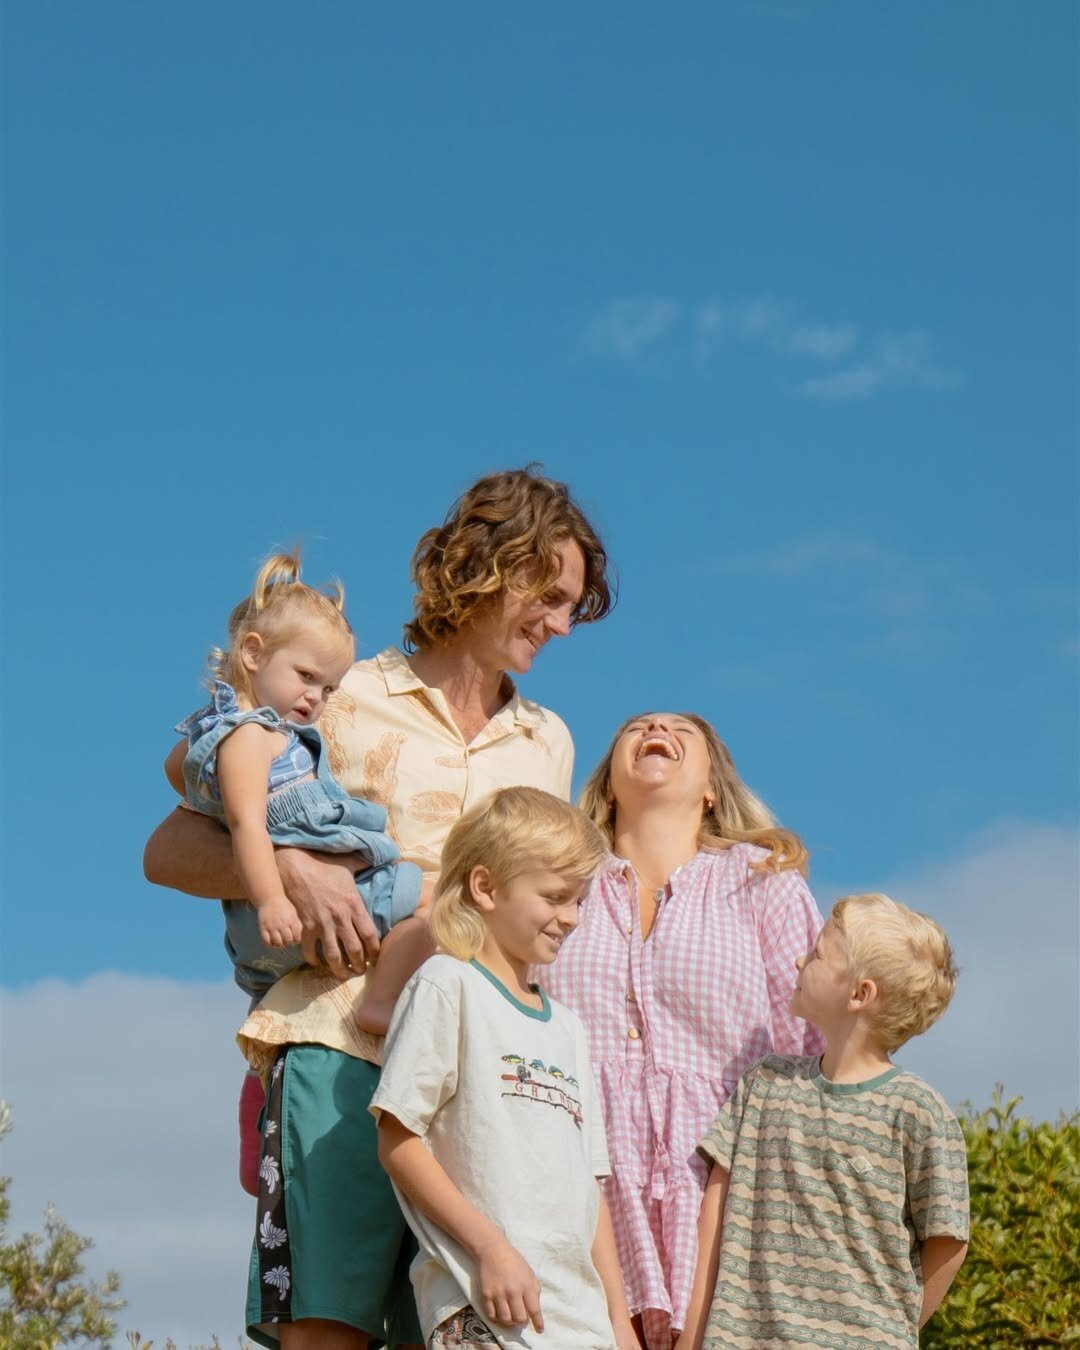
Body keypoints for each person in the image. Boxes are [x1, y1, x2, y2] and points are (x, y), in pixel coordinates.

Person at [143, 466, 615, 1350]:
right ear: (489, 566)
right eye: (548, 597)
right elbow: (166, 849)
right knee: (327, 1331)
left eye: (570, 608)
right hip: (336, 1048)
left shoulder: (548, 743)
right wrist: (291, 869)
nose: (560, 624)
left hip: (479, 1085)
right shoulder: (339, 691)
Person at [541, 712, 825, 1349]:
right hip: (573, 1177)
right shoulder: (558, 883)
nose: (656, 729)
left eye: (681, 731)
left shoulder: (762, 882)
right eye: (638, 726)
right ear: (608, 784)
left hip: (725, 1185)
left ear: (712, 790)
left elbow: (810, 1048)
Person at [373, 787, 638, 1350]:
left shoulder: (568, 1028)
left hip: (578, 1322)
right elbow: (398, 1139)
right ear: (485, 887)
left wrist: (618, 1320)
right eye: (555, 897)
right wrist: (490, 1249)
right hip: (481, 1303)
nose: (571, 918)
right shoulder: (447, 984)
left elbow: (589, 1188)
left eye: (579, 901)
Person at [680, 893, 969, 1349]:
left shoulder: (918, 1113)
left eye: (817, 954)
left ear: (860, 994)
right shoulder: (764, 1084)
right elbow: (714, 1212)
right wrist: (693, 1336)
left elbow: (948, 1240)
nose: (800, 960)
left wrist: (895, 1328)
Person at [172, 550, 426, 1033]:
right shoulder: (251, 736)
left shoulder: (232, 733)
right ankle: (383, 1003)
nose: (315, 697)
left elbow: (179, 769)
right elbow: (247, 825)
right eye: (307, 677)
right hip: (288, 907)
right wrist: (272, 898)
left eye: (329, 689)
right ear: (252, 653)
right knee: (435, 904)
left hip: (267, 928)